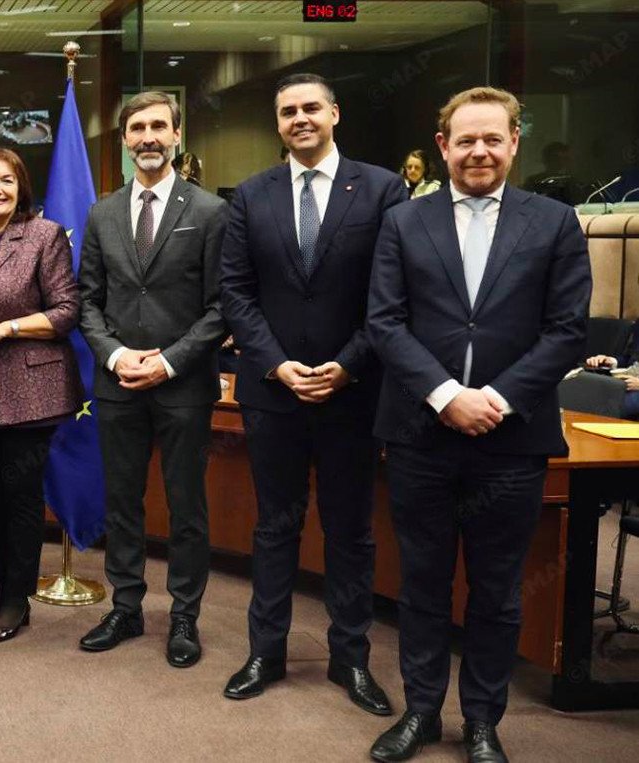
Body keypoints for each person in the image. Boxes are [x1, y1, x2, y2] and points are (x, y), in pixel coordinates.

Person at [367, 87, 591, 763]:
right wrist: (443, 394)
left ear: (514, 142)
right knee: (423, 581)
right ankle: (422, 711)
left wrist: (492, 396)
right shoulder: (404, 222)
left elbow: (566, 330)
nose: (478, 151)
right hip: (419, 434)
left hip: (511, 437)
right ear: (442, 146)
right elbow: (383, 322)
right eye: (464, 139)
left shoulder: (552, 223)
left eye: (492, 138)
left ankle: (483, 721)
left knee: (496, 588)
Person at [219, 73, 406, 711]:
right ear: (278, 123)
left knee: (350, 530)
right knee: (275, 525)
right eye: (287, 111)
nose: (299, 118)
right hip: (274, 392)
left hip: (353, 393)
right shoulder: (250, 195)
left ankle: (349, 661)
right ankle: (264, 652)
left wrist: (347, 364)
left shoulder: (382, 189)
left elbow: (392, 293)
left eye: (310, 108)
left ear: (334, 113)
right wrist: (276, 365)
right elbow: (236, 293)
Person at [76, 91, 228, 667]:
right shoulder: (102, 213)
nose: (148, 137)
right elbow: (88, 300)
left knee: (186, 505)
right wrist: (115, 356)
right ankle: (127, 606)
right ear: (123, 140)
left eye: (158, 126)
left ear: (177, 134)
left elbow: (221, 307)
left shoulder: (211, 212)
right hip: (118, 385)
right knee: (122, 502)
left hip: (182, 384)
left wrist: (168, 360)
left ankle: (184, 613)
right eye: (136, 128)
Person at [0, 148, 81, 644]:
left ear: (21, 187)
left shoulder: (43, 236)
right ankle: (3, 591)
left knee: (20, 498)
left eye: (6, 180)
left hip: (28, 390)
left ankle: (18, 600)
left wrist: (2, 329)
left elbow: (67, 310)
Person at [584, 324, 639, 419]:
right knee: (585, 390)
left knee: (611, 407)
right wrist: (610, 361)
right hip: (626, 383)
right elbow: (630, 358)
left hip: (634, 389)